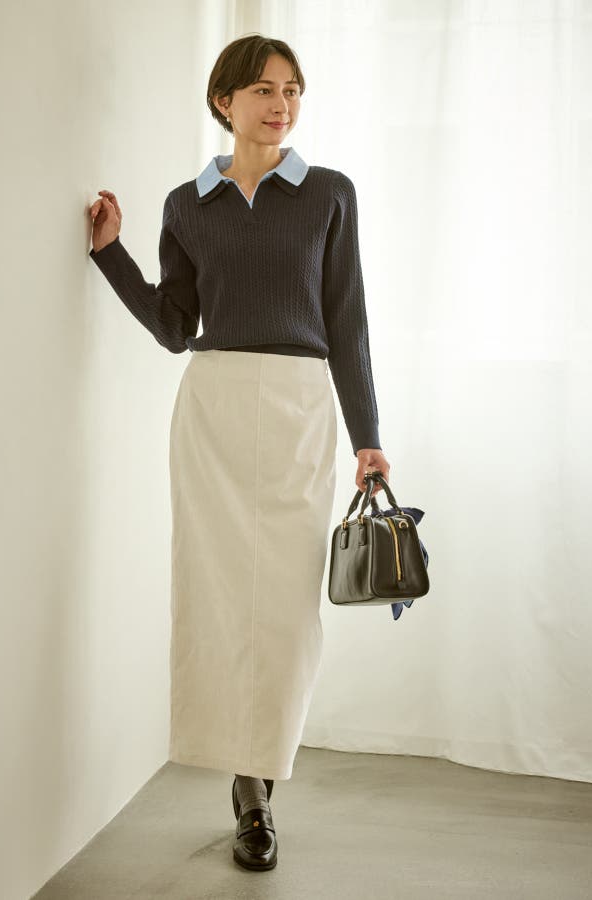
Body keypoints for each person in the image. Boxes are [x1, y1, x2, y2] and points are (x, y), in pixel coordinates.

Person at [87, 34, 390, 872]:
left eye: (291, 90)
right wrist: (110, 254)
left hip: (299, 406)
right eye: (262, 89)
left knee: (286, 607)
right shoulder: (188, 206)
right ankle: (247, 789)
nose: (280, 104)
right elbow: (173, 326)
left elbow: (348, 321)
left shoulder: (328, 194)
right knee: (217, 595)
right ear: (224, 100)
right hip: (214, 408)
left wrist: (367, 436)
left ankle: (263, 772)